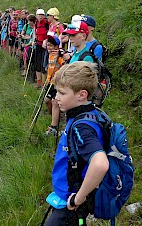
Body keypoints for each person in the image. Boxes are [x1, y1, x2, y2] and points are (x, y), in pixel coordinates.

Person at [44, 61, 109, 225]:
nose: (56, 97)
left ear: (82, 95)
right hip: (66, 198)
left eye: (61, 93)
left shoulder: (82, 128)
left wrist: (77, 199)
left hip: (70, 202)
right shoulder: (85, 114)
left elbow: (100, 163)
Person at [43, 35, 65, 136]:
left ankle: (55, 122)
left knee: (50, 100)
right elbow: (49, 69)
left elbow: (64, 66)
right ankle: (53, 116)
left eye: (51, 46)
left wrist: (60, 58)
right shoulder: (50, 55)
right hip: (50, 81)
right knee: (48, 101)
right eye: (47, 45)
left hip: (56, 83)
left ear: (56, 46)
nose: (49, 47)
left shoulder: (59, 57)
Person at [34, 8, 49, 88]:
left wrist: (46, 41)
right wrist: (34, 40)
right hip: (38, 44)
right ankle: (38, 82)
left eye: (42, 15)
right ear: (36, 16)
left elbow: (49, 34)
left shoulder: (46, 23)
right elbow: (35, 33)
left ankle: (43, 84)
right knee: (37, 63)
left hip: (45, 46)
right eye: (39, 15)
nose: (40, 16)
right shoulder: (36, 23)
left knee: (43, 65)